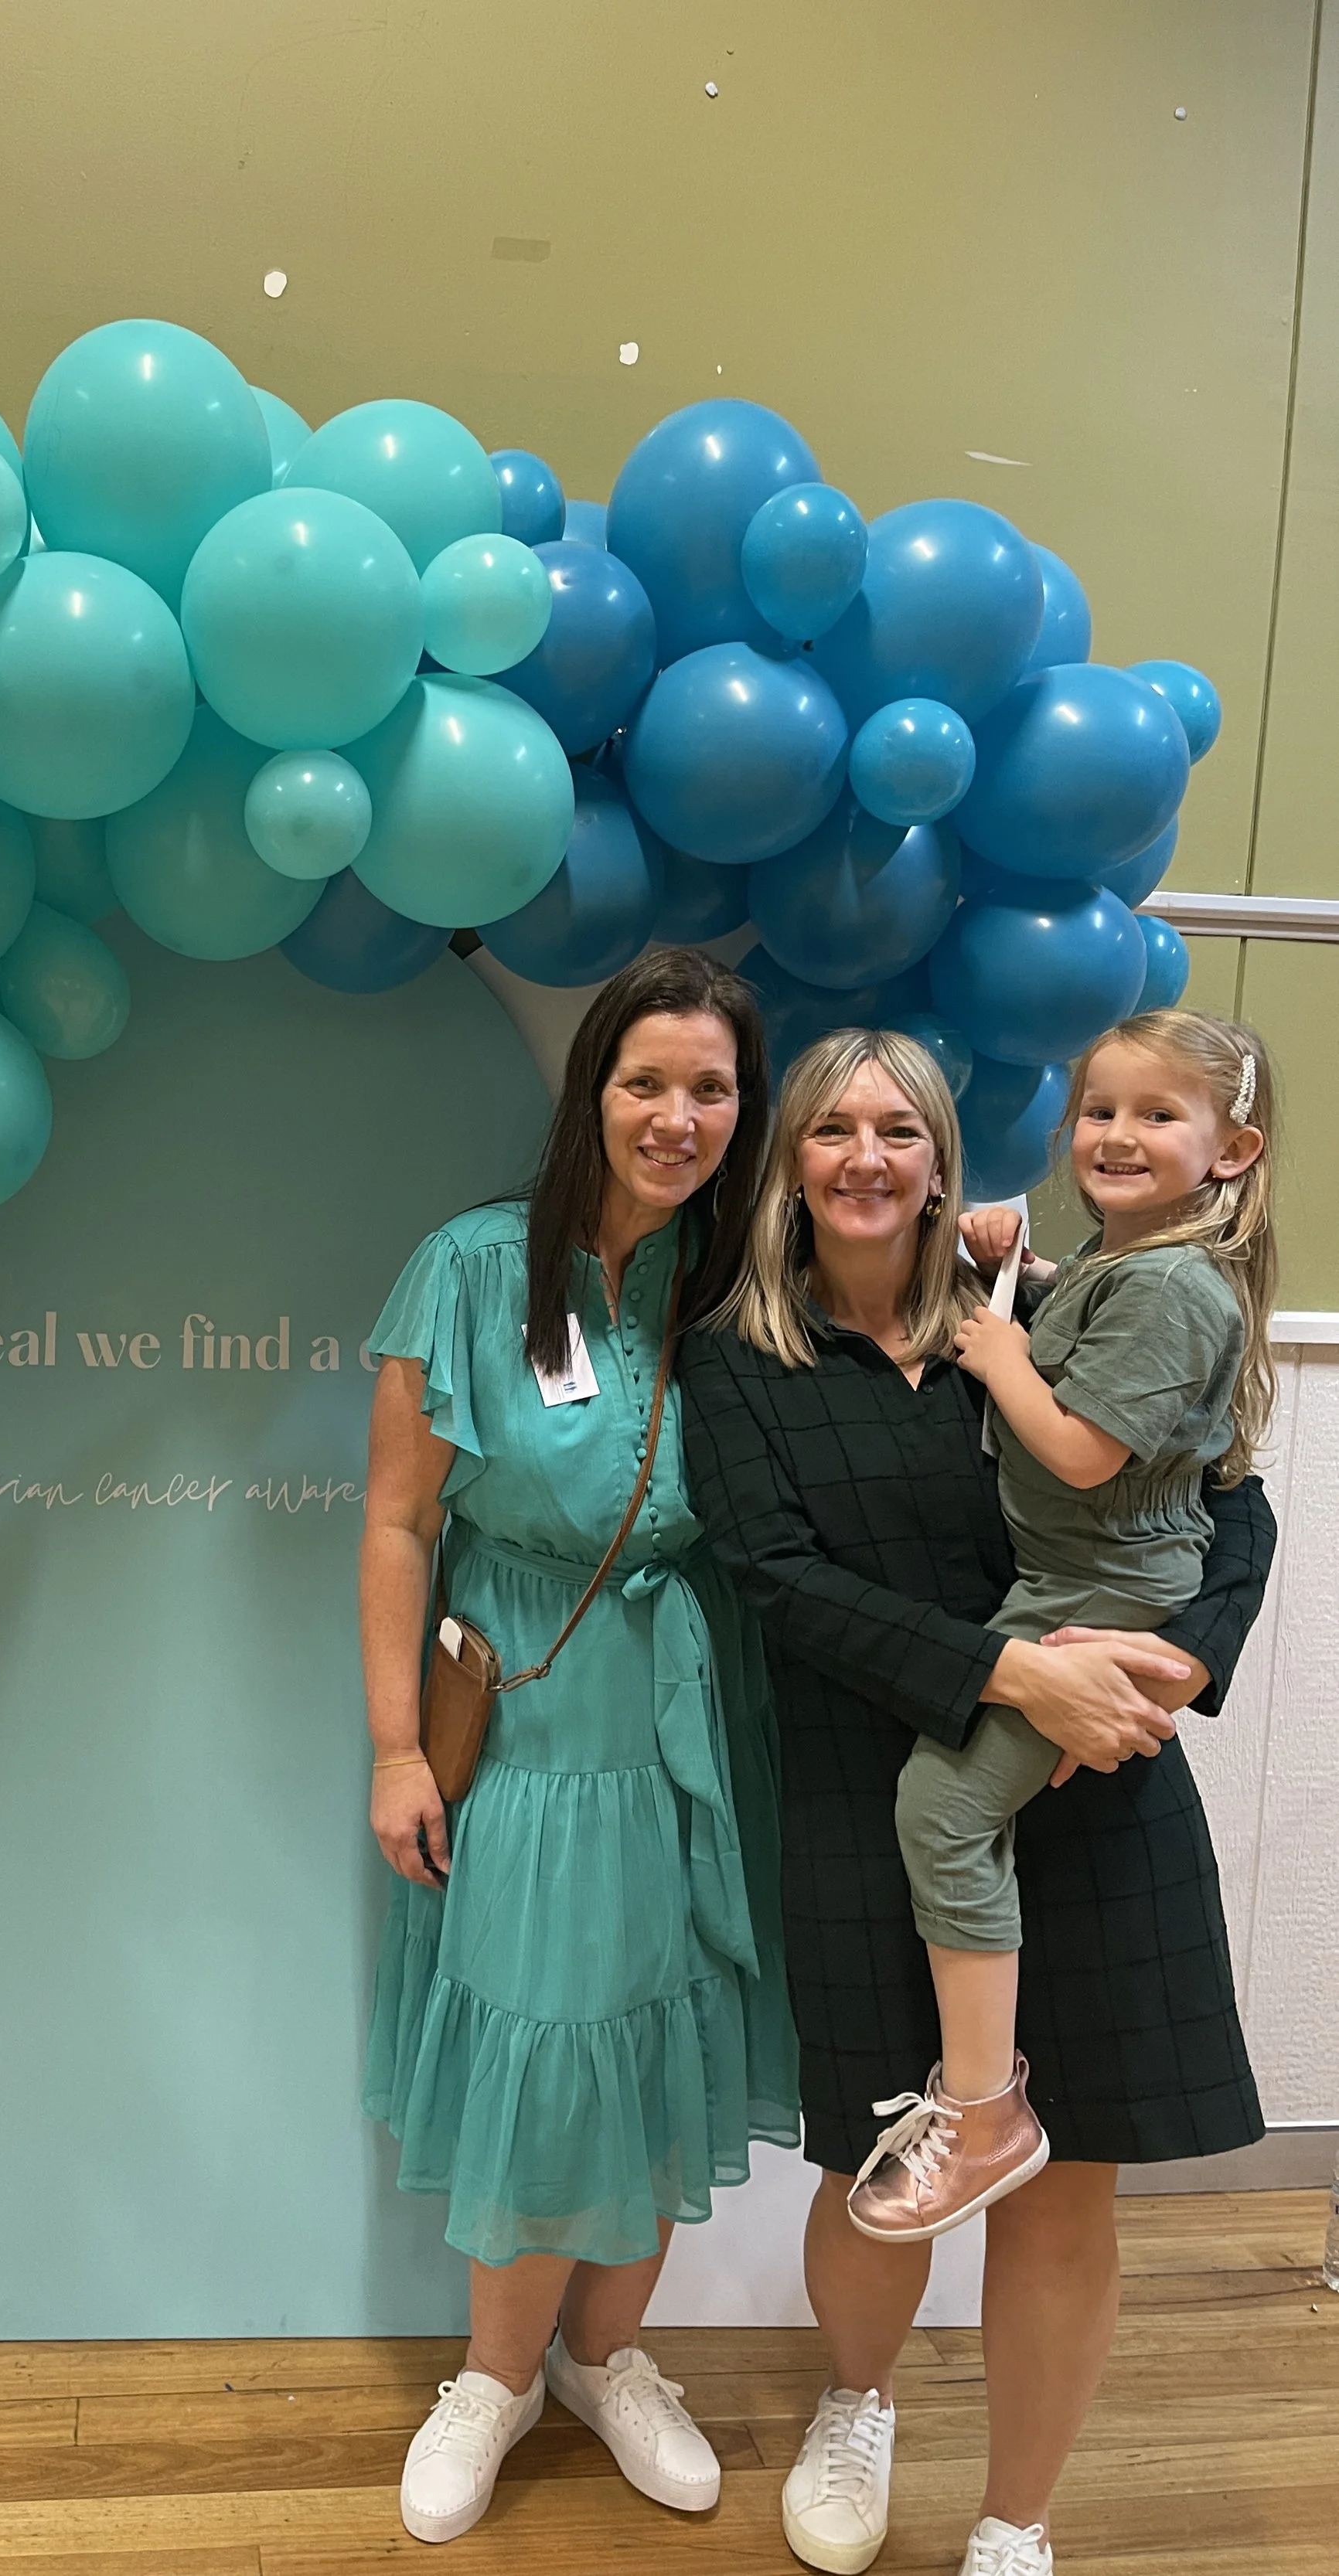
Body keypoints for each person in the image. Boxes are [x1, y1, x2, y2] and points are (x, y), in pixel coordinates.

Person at [680, 1028, 1273, 2576]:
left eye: (897, 1127)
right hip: (877, 1788)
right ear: (787, 1162)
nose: (863, 1157)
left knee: (1066, 2184)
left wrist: (1165, 1678)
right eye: (829, 1130)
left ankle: (1017, 2519)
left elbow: (1227, 1504)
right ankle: (855, 2400)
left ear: (944, 1157)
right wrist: (1014, 1684)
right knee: (881, 2153)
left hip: (1098, 1784)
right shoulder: (734, 1356)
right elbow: (774, 1579)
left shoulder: (1030, 1311)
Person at [359, 948, 799, 2547]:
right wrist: (398, 1746)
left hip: (699, 1711)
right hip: (532, 1720)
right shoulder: (475, 1268)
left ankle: (609, 2357)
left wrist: (992, 1246)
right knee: (546, 2046)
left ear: (741, 1109)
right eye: (644, 1080)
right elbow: (401, 1520)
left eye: (708, 1087)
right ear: (589, 1091)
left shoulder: (750, 1277)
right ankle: (494, 2375)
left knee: (663, 2038)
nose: (674, 1115)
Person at [852, 1011, 1276, 2245]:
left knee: (942, 1809)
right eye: (1099, 1109)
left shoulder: (1178, 1283)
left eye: (1158, 1115)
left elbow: (1086, 1452)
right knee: (961, 1804)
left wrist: (996, 1353)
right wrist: (1020, 1271)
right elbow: (1092, 1343)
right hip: (1074, 1585)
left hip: (1096, 1592)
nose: (1118, 1134)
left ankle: (983, 2111)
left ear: (1232, 1149)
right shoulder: (1122, 1264)